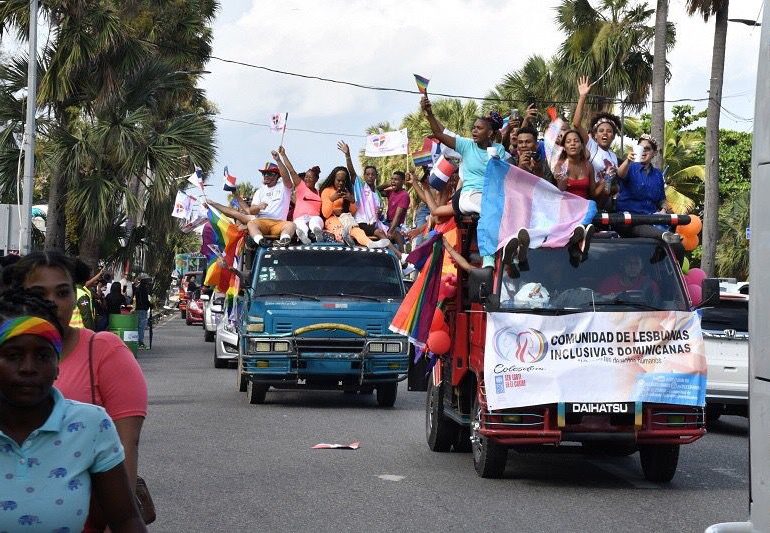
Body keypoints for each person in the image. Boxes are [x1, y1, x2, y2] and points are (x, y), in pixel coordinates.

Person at [3, 252, 148, 531]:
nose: (52, 303)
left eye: (62, 292)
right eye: (13, 355)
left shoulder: (103, 359)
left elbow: (126, 448)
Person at [421, 94, 506, 215]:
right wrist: (429, 114)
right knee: (490, 210)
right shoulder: (466, 145)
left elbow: (501, 176)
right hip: (469, 195)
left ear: (490, 133)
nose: (474, 131)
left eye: (479, 128)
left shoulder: (499, 149)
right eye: (474, 127)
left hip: (492, 196)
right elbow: (439, 133)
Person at [616, 134, 685, 261]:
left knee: (679, 247)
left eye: (647, 149)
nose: (643, 151)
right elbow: (620, 175)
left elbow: (660, 199)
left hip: (652, 219)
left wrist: (665, 207)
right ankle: (664, 235)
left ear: (654, 153)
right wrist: (628, 160)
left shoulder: (658, 174)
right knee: (660, 235)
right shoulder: (630, 167)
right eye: (640, 148)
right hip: (630, 220)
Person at [572, 76, 621, 207]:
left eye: (609, 131)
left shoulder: (613, 156)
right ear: (595, 135)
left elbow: (612, 185)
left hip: (605, 203)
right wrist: (582, 96)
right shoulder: (592, 146)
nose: (605, 133)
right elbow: (576, 124)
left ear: (614, 136)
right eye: (601, 130)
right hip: (588, 200)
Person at [320, 166, 390, 249]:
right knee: (339, 229)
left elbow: (353, 212)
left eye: (343, 181)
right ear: (333, 179)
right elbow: (326, 214)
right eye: (338, 180)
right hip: (332, 219)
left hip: (346, 217)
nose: (341, 183)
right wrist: (332, 199)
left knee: (356, 230)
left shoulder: (347, 190)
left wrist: (352, 200)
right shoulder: (327, 191)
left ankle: (370, 243)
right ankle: (345, 237)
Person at [337, 141, 391, 243]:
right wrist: (347, 155)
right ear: (364, 176)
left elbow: (378, 215)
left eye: (372, 174)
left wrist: (379, 213)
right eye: (367, 174)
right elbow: (352, 173)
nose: (370, 176)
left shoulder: (378, 194)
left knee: (394, 234)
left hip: (374, 224)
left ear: (376, 176)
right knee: (380, 233)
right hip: (361, 223)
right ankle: (399, 255)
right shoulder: (361, 187)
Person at [269, 148, 324, 244]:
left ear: (316, 179)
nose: (307, 179)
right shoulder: (301, 187)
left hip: (314, 217)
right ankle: (304, 236)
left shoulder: (320, 193)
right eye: (306, 176)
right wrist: (283, 155)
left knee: (315, 222)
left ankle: (317, 232)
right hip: (300, 218)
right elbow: (291, 171)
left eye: (310, 177)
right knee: (300, 225)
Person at [247, 162, 296, 246]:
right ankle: (261, 241)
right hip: (262, 222)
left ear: (277, 175)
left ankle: (284, 241)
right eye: (264, 173)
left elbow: (287, 177)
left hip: (279, 223)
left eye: (269, 173)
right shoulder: (259, 191)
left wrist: (278, 160)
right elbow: (251, 211)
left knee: (291, 225)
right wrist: (258, 207)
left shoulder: (284, 187)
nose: (266, 176)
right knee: (251, 224)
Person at [553, 129, 604, 200]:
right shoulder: (559, 165)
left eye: (576, 141)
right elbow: (560, 193)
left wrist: (605, 182)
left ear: (582, 146)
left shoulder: (588, 166)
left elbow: (593, 194)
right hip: (566, 208)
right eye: (568, 141)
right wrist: (563, 181)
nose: (572, 143)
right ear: (564, 147)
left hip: (584, 208)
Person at [378, 171, 410, 248]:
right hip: (387, 223)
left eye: (396, 179)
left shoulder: (404, 195)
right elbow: (376, 190)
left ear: (402, 181)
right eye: (392, 179)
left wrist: (391, 231)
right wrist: (388, 184)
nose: (393, 181)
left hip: (396, 225)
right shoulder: (391, 192)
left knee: (396, 245)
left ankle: (402, 254)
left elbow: (398, 215)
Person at [133, 275, 151, 351]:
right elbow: (145, 300)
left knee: (138, 326)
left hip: (138, 309)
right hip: (142, 309)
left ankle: (137, 341)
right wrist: (150, 305)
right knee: (141, 327)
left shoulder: (137, 288)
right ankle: (140, 342)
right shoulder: (143, 289)